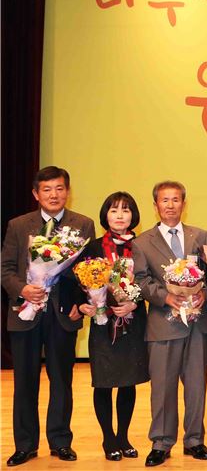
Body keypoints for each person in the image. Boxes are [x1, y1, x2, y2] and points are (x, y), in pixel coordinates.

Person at [1, 166, 96, 466]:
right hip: (24, 313)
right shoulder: (19, 225)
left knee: (61, 381)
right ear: (36, 194)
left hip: (63, 314)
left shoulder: (83, 224)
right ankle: (25, 445)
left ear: (68, 191)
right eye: (47, 189)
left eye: (59, 188)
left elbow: (88, 271)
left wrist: (80, 302)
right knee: (24, 382)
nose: (54, 195)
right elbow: (5, 269)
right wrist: (23, 289)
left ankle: (60, 441)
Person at [132, 180, 207, 467]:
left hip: (197, 324)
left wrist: (204, 292)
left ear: (183, 203)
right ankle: (162, 442)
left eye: (176, 199)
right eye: (164, 200)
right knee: (163, 388)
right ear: (156, 205)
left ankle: (195, 440)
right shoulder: (142, 242)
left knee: (196, 386)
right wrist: (166, 297)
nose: (170, 205)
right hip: (163, 323)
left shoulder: (200, 236)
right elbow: (141, 280)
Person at [76, 192, 149, 461]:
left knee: (128, 382)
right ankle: (108, 438)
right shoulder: (93, 247)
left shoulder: (142, 246)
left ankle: (123, 437)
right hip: (103, 322)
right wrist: (84, 304)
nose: (120, 215)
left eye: (125, 210)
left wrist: (134, 303)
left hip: (133, 321)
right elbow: (76, 282)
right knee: (104, 382)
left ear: (134, 215)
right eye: (114, 210)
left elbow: (150, 281)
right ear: (105, 215)